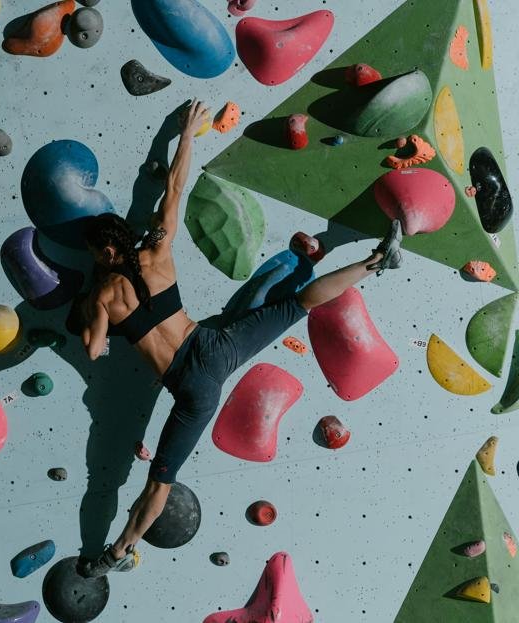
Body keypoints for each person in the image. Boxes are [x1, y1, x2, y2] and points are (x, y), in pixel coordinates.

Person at [76, 100, 403, 577]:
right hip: (214, 347)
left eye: (92, 254)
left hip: (192, 389)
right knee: (296, 305)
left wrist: (90, 307)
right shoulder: (157, 251)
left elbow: (91, 349)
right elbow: (174, 187)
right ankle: (377, 262)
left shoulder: (102, 296)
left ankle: (115, 554)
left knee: (160, 481)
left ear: (106, 251)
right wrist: (186, 134)